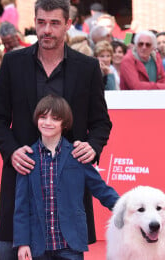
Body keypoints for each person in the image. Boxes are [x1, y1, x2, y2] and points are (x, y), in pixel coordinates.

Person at [0, 0, 112, 260]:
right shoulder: (12, 63)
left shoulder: (87, 68)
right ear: (34, 21)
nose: (47, 30)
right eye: (41, 22)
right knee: (5, 253)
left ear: (68, 24)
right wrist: (12, 152)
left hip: (66, 182)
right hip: (22, 174)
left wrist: (93, 146)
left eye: (54, 23)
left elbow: (101, 122)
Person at [14, 94, 119, 260]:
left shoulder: (77, 155)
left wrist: (128, 208)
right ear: (36, 119)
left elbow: (101, 189)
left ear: (64, 123)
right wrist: (22, 242)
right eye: (43, 117)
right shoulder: (27, 157)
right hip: (38, 245)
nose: (48, 122)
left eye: (54, 119)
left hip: (71, 244)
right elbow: (21, 206)